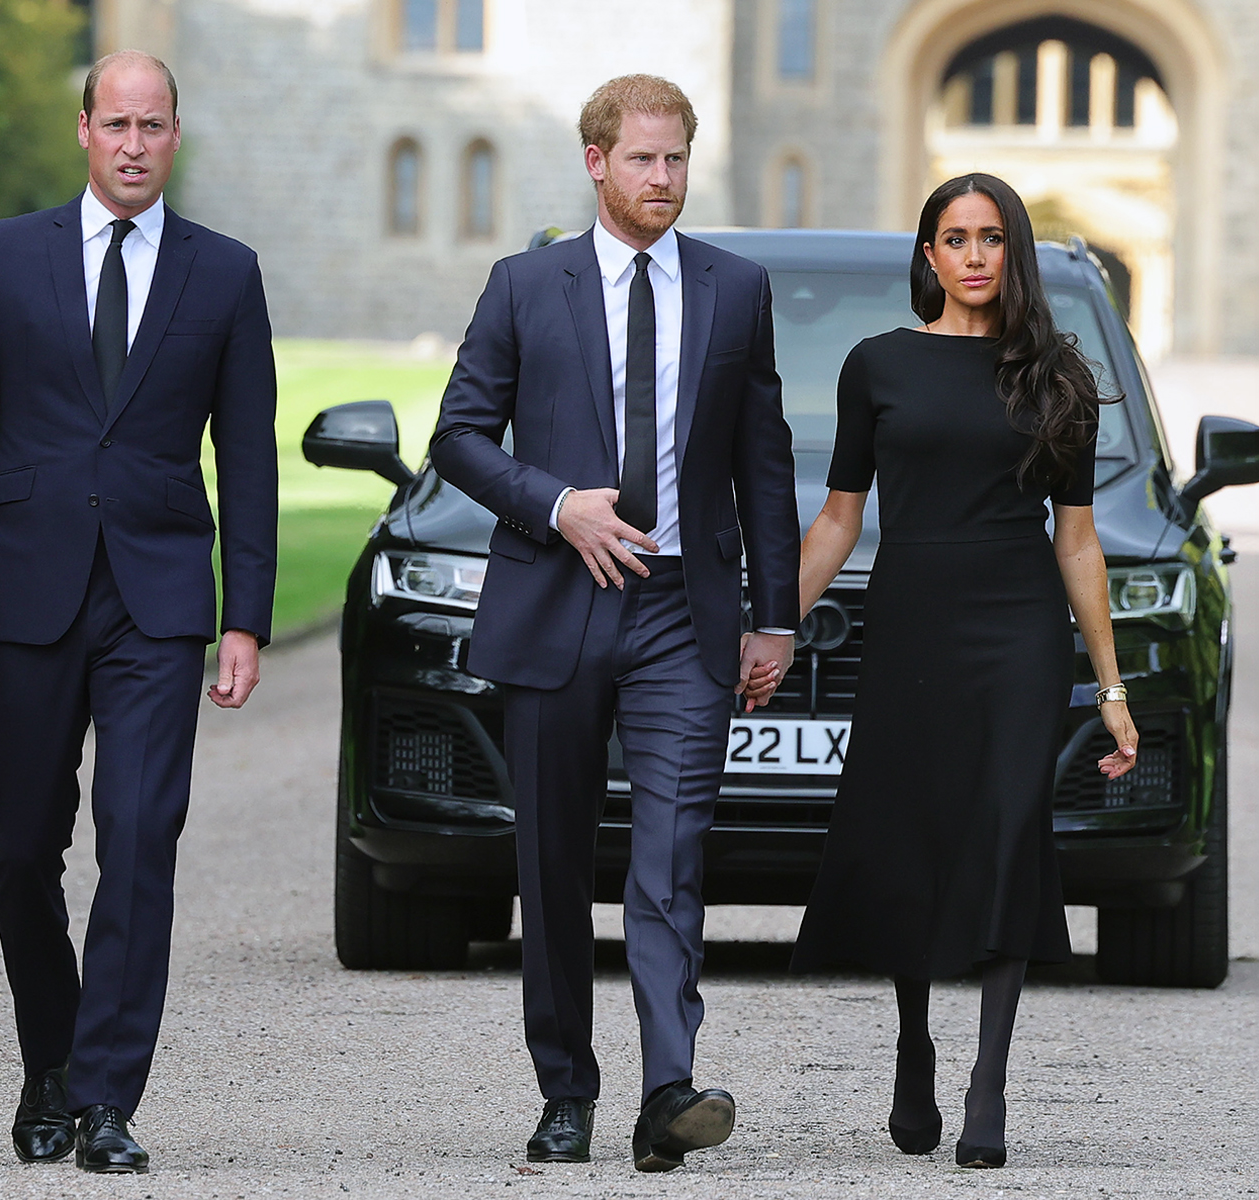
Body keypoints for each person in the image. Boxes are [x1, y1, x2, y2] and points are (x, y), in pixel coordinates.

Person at [0, 49, 277, 1175]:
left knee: (140, 837)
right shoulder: (5, 256)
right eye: (114, 123)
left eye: (152, 125)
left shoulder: (225, 272)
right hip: (23, 584)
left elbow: (249, 458)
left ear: (175, 135)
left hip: (159, 597)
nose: (131, 143)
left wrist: (245, 614)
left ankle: (108, 1097)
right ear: (83, 130)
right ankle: (51, 1060)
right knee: (23, 848)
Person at [429, 74, 801, 1173]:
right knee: (549, 862)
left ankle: (668, 1088)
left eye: (678, 159)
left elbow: (763, 463)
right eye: (643, 160)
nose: (664, 180)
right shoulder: (523, 286)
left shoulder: (736, 290)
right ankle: (566, 1092)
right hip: (560, 601)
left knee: (672, 856)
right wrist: (555, 504)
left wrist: (772, 617)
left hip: (685, 612)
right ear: (596, 161)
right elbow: (457, 434)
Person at [785, 173, 1138, 1169]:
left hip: (1020, 630)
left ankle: (990, 1079)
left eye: (991, 238)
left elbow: (1078, 543)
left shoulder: (1056, 373)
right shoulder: (878, 366)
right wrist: (768, 628)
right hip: (911, 623)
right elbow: (838, 519)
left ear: (1011, 251)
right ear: (928, 256)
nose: (975, 254)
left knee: (1007, 829)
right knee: (916, 834)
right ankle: (914, 1041)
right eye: (955, 237)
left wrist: (1110, 690)